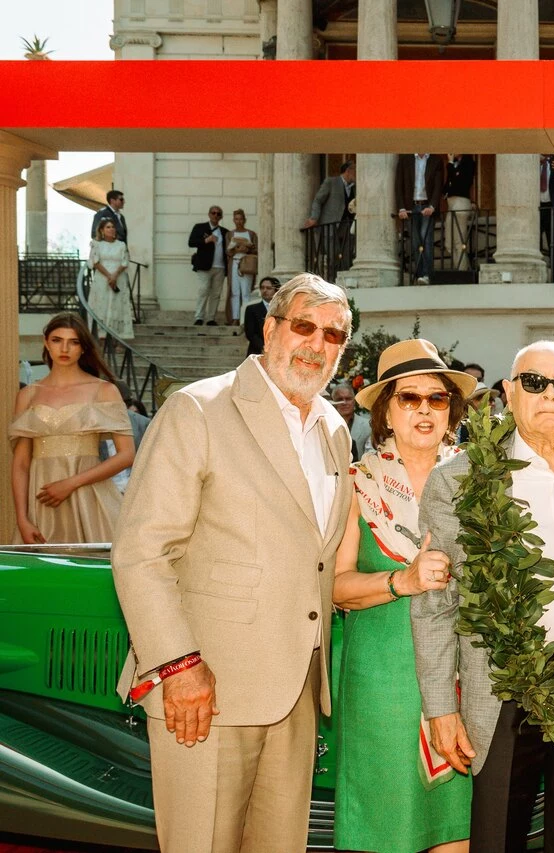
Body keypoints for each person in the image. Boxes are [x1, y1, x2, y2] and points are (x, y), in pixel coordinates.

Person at [111, 273, 354, 852]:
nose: (316, 344)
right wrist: (178, 665)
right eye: (304, 326)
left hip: (296, 694)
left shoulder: (334, 428)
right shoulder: (197, 408)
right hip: (205, 690)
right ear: (270, 329)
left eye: (333, 335)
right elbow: (142, 551)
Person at [413, 341, 554, 853]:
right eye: (535, 383)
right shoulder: (459, 480)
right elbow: (435, 603)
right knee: (498, 834)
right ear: (509, 393)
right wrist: (439, 707)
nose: (549, 396)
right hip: (501, 683)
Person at [333, 339, 475, 853]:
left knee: (457, 827)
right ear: (385, 413)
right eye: (408, 398)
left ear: (451, 411)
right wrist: (402, 582)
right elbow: (335, 587)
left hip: (463, 681)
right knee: (384, 828)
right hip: (382, 685)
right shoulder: (356, 484)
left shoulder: (479, 481)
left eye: (437, 399)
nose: (424, 409)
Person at [9, 313, 135, 545]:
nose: (64, 348)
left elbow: (127, 454)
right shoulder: (27, 395)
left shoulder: (104, 390)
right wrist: (22, 519)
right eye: (57, 340)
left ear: (83, 347)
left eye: (74, 342)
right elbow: (21, 463)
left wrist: (71, 483)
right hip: (42, 498)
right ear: (46, 343)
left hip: (90, 496)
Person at [397, 154, 444, 285]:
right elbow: (399, 184)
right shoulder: (405, 159)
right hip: (410, 207)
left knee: (426, 239)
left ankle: (427, 274)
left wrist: (432, 206)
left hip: (427, 206)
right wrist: (401, 207)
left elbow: (438, 186)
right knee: (415, 241)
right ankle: (419, 274)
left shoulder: (436, 160)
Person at [88, 218, 133, 340]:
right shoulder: (97, 244)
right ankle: (101, 336)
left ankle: (117, 338)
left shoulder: (121, 245)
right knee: (101, 305)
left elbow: (125, 262)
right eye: (108, 227)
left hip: (118, 278)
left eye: (113, 227)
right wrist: (109, 276)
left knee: (117, 306)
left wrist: (115, 275)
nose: (111, 229)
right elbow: (95, 262)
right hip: (102, 279)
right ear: (102, 230)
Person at [188, 205, 228, 327]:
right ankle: (199, 317)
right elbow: (191, 242)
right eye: (213, 213)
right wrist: (206, 240)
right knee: (203, 290)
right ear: (209, 214)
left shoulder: (225, 231)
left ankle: (211, 318)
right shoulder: (200, 227)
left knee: (216, 293)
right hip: (204, 265)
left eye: (218, 214)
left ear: (221, 217)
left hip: (220, 267)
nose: (215, 215)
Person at [443, 154, 477, 271]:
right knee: (449, 243)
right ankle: (459, 269)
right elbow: (448, 183)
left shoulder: (468, 163)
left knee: (459, 242)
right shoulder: (454, 164)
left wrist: (450, 164)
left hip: (461, 203)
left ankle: (462, 271)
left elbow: (459, 183)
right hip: (451, 204)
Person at [225, 209, 258, 327]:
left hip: (246, 263)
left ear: (244, 220)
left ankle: (245, 319)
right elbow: (227, 251)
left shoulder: (251, 234)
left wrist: (247, 249)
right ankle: (235, 318)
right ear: (233, 220)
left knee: (246, 292)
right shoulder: (230, 234)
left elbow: (256, 250)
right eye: (236, 219)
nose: (239, 221)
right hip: (234, 263)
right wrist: (236, 250)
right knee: (235, 292)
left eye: (241, 219)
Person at [307, 159, 357, 229]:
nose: (357, 174)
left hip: (349, 229)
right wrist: (314, 218)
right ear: (348, 171)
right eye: (355, 171)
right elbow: (318, 200)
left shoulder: (355, 187)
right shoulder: (331, 182)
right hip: (330, 228)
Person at [330, 380, 371, 460]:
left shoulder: (368, 426)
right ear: (333, 402)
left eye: (348, 399)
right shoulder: (326, 425)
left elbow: (371, 454)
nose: (344, 403)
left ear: (354, 401)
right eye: (339, 399)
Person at [244, 276, 278, 356]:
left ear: (276, 291)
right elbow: (250, 334)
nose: (265, 290)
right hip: (257, 352)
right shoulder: (251, 309)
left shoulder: (282, 309)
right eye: (262, 288)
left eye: (268, 288)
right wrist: (264, 348)